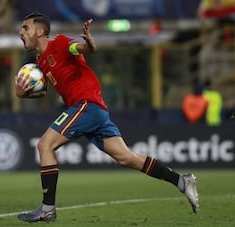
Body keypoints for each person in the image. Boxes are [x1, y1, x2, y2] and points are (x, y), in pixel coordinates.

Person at [15, 12, 199, 223]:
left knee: (44, 145)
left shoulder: (60, 43)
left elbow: (82, 48)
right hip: (94, 110)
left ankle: (47, 208)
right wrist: (22, 93)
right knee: (126, 157)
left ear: (40, 31)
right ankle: (182, 182)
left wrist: (90, 44)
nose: (21, 31)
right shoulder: (40, 61)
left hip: (86, 105)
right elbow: (40, 90)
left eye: (25, 27)